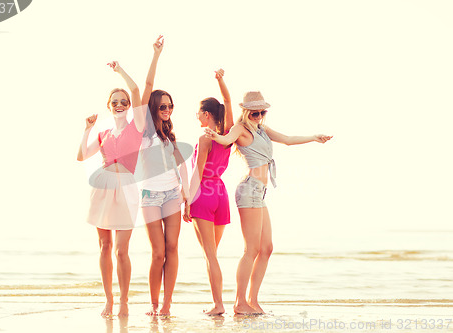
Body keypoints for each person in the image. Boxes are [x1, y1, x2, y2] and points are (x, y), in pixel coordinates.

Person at [204, 91, 332, 315]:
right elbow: (226, 139)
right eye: (255, 112)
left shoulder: (262, 129)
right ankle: (239, 302)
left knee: (267, 248)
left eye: (262, 112)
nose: (259, 116)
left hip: (260, 192)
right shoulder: (240, 129)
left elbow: (288, 140)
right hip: (249, 190)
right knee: (251, 249)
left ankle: (252, 300)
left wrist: (314, 137)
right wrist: (214, 136)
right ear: (246, 111)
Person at [77, 61, 145, 317]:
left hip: (126, 188)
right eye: (115, 101)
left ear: (128, 106)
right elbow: (81, 156)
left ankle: (124, 300)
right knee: (104, 246)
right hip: (102, 187)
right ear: (109, 105)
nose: (119, 104)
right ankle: (109, 300)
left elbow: (137, 90)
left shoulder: (137, 126)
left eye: (123, 101)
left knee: (121, 249)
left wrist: (120, 71)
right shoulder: (104, 131)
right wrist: (87, 129)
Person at [139, 36, 189, 316]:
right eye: (162, 106)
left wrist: (186, 193)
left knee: (172, 248)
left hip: (172, 194)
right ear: (153, 109)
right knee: (158, 253)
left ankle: (167, 305)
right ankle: (154, 304)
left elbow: (182, 165)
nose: (167, 110)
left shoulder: (169, 136)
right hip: (150, 197)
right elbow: (147, 88)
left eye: (170, 106)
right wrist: (156, 55)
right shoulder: (144, 130)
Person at [183, 69, 233, 315]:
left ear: (206, 114)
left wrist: (186, 202)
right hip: (221, 194)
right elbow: (229, 102)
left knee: (209, 256)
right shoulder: (228, 133)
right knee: (213, 254)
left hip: (204, 194)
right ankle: (219, 303)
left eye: (198, 113)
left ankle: (218, 305)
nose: (196, 117)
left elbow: (197, 174)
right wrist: (221, 80)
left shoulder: (205, 138)